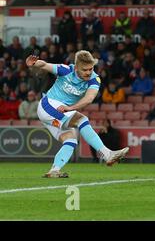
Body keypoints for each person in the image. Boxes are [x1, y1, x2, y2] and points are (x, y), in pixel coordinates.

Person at [25, 50, 129, 178]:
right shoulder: (66, 70)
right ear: (76, 67)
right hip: (48, 105)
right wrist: (33, 63)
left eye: (91, 69)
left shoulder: (94, 79)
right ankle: (107, 154)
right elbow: (44, 65)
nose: (88, 72)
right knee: (81, 119)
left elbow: (89, 99)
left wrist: (70, 108)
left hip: (60, 112)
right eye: (85, 70)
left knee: (71, 139)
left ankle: (54, 170)